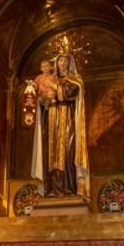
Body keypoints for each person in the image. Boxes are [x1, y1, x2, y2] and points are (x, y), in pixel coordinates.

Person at [30, 53, 90, 199]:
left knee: (67, 152)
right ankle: (51, 188)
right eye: (60, 61)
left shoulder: (74, 80)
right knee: (50, 153)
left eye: (65, 61)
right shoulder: (50, 78)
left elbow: (70, 92)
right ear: (56, 64)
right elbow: (41, 98)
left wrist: (54, 87)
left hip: (67, 117)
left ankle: (68, 188)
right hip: (50, 118)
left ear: (70, 64)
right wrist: (44, 98)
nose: (62, 63)